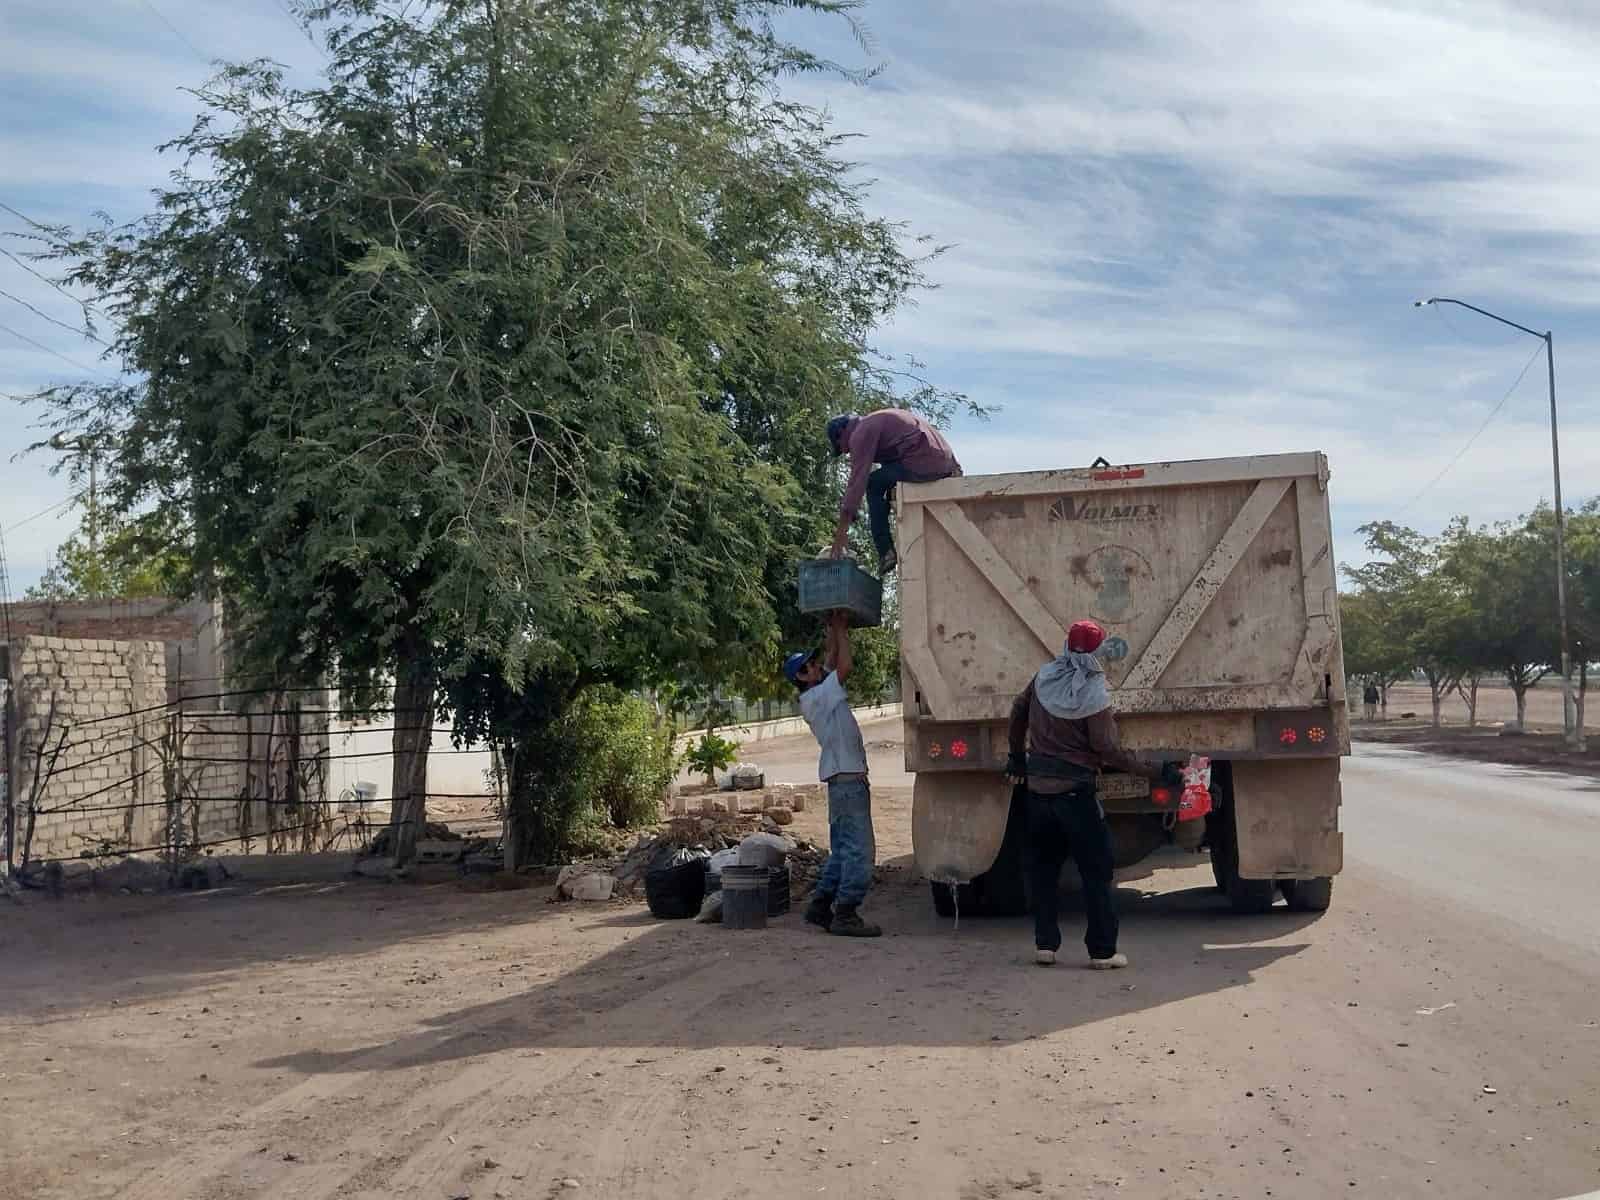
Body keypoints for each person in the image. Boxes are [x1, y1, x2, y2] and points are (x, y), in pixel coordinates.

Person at [1006, 619, 1175, 969]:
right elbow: (1107, 749)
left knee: (1044, 871)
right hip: (1075, 797)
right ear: (1097, 652)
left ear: (1068, 646)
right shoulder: (1093, 692)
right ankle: (1102, 952)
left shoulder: (1044, 678)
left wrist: (1016, 757)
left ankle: (1045, 945)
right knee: (1096, 873)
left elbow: (1017, 711)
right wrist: (1158, 771)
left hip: (1038, 794)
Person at [784, 611, 880, 937]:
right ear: (801, 677)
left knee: (842, 850)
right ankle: (846, 914)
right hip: (847, 781)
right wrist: (840, 628)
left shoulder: (818, 690)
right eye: (808, 666)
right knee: (860, 851)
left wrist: (835, 628)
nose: (815, 665)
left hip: (843, 781)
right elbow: (845, 666)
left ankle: (821, 905)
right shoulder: (817, 697)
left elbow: (831, 657)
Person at [826, 410, 962, 575]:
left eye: (841, 447)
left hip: (925, 459)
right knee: (885, 484)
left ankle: (886, 552)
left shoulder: (860, 433)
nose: (847, 452)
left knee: (872, 484)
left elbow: (856, 482)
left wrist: (842, 531)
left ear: (842, 432)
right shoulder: (877, 422)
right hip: (942, 461)